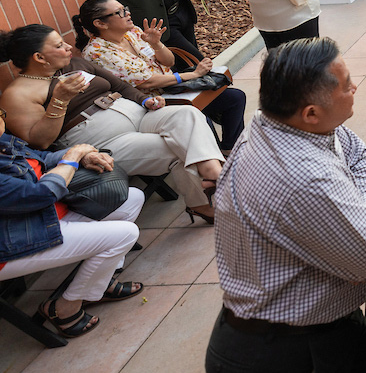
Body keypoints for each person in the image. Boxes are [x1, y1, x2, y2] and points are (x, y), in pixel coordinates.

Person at [205, 38, 366, 373]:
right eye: (346, 85)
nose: (355, 88)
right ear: (311, 112)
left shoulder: (283, 122)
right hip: (284, 357)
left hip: (324, 326)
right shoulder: (303, 178)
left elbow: (359, 158)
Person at [0, 24, 224, 224]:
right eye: (59, 45)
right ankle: (205, 198)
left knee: (187, 114)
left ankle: (213, 173)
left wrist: (144, 100)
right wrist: (60, 100)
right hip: (100, 138)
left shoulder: (74, 63)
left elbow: (119, 85)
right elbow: (40, 142)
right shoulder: (18, 94)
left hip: (136, 113)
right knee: (178, 147)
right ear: (39, 57)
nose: (68, 47)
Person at [0, 119, 145, 340]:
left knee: (132, 199)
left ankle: (98, 282)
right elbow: (41, 195)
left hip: (41, 217)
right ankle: (65, 308)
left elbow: (41, 158)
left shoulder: (2, 141)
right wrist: (71, 159)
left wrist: (82, 156)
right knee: (126, 234)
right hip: (14, 241)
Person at [74, 0, 248, 147]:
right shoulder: (97, 52)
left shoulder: (133, 32)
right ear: (100, 23)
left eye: (125, 9)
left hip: (176, 88)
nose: (127, 13)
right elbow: (147, 82)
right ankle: (216, 160)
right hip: (153, 102)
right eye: (119, 12)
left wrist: (156, 44)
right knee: (199, 116)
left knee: (235, 98)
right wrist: (194, 75)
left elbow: (169, 61)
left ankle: (230, 148)